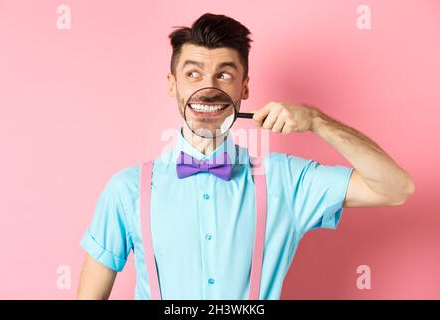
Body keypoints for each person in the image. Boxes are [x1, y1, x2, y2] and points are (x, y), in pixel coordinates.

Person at [77, 13, 415, 300]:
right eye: (193, 74)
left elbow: (396, 188)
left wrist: (317, 121)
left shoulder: (287, 180)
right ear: (172, 85)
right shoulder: (127, 189)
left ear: (245, 88)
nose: (208, 87)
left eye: (224, 74)